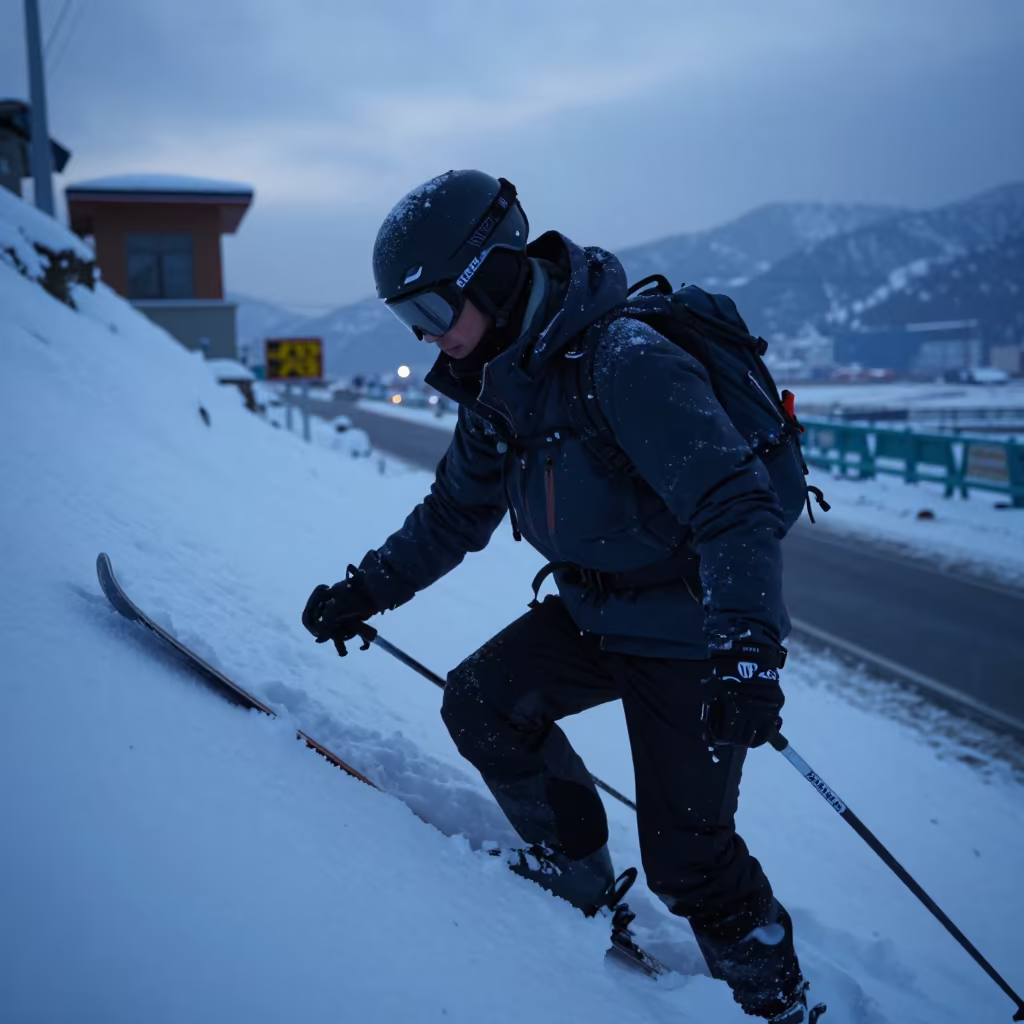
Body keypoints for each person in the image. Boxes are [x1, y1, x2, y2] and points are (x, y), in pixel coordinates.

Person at [302, 170, 821, 1023]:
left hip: (689, 627)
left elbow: (735, 504)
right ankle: (574, 871)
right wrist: (365, 590)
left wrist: (746, 653)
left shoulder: (625, 363)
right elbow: (452, 514)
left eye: (434, 313)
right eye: (410, 323)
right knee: (481, 701)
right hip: (594, 608)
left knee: (688, 858)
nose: (431, 341)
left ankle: (779, 1003)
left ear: (493, 278)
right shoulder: (500, 389)